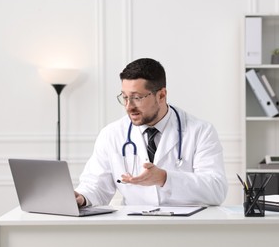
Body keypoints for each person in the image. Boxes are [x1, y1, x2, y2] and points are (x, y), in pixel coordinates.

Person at [75, 58, 228, 207]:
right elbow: (96, 186)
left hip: (185, 227)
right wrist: (82, 197)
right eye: (125, 97)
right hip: (135, 226)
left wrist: (164, 178)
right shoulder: (111, 134)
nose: (129, 106)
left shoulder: (201, 131)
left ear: (161, 95)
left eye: (137, 97)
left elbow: (216, 190)